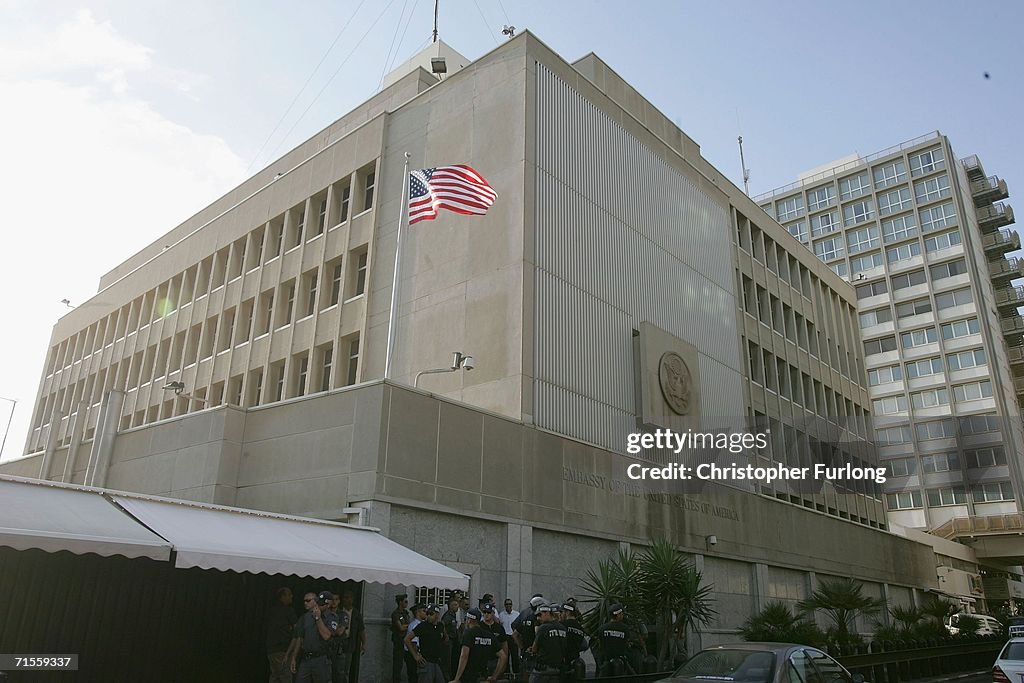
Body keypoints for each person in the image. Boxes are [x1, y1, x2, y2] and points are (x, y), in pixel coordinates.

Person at [288, 591, 340, 683]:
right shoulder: (306, 617)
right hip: (306, 659)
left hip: (321, 659)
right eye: (317, 602)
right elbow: (300, 637)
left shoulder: (332, 617)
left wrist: (318, 619)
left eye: (321, 604)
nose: (318, 605)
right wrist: (294, 657)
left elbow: (327, 636)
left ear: (328, 605)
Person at [451, 608, 506, 683]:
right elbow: (503, 656)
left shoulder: (468, 634)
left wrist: (457, 678)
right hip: (484, 676)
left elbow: (464, 656)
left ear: (469, 620)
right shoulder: (489, 635)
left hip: (469, 676)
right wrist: (494, 676)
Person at [406, 604, 446, 683]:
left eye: (431, 614)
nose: (428, 616)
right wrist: (416, 655)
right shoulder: (423, 626)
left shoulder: (440, 626)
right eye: (427, 613)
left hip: (437, 661)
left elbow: (445, 639)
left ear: (437, 615)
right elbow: (407, 639)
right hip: (427, 661)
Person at [528, 604, 567, 682]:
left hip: (542, 671)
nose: (538, 618)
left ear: (546, 613)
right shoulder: (563, 628)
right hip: (557, 670)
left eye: (540, 615)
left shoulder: (543, 628)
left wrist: (531, 650)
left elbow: (534, 649)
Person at [266, 587, 296, 683]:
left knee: (275, 676)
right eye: (289, 594)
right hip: (283, 650)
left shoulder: (271, 611)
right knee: (285, 676)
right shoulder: (288, 610)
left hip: (271, 650)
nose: (292, 596)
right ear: (282, 597)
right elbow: (296, 628)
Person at [595, 604, 632, 676]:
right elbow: (627, 643)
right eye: (621, 614)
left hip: (605, 663)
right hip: (620, 664)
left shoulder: (602, 628)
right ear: (617, 615)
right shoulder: (625, 629)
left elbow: (600, 644)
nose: (622, 615)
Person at [512, 595, 545, 678]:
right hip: (535, 654)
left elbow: (515, 634)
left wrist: (522, 647)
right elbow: (537, 635)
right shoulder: (537, 620)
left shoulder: (526, 618)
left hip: (525, 654)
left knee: (525, 677)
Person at [339, 589, 366, 682]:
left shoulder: (356, 614)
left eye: (349, 598)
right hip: (339, 642)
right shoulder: (339, 612)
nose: (347, 600)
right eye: (345, 598)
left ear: (353, 599)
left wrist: (364, 643)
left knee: (346, 668)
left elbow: (361, 629)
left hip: (350, 643)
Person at [327, 593, 351, 683]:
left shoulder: (343, 615)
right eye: (332, 599)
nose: (334, 602)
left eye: (336, 599)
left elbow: (339, 631)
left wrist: (327, 629)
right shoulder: (325, 613)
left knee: (339, 675)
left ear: (339, 601)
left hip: (338, 650)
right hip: (326, 649)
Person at [560, 603, 587, 682]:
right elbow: (583, 645)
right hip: (576, 661)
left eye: (562, 612)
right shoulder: (580, 628)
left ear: (567, 612)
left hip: (564, 663)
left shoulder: (562, 625)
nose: (561, 615)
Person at [481, 603, 509, 680]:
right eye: (485, 612)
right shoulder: (480, 627)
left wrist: (504, 662)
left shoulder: (499, 628)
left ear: (493, 613)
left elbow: (504, 645)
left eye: (489, 612)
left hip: (496, 659)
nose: (486, 614)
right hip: (482, 660)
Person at [391, 594, 412, 683]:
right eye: (405, 601)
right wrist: (408, 626)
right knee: (398, 664)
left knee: (408, 662)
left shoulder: (406, 613)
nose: (407, 603)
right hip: (399, 641)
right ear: (400, 602)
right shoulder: (396, 614)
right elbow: (400, 628)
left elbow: (405, 626)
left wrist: (406, 626)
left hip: (406, 641)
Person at [498, 599, 520, 677]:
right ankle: (506, 673)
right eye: (507, 604)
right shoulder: (501, 615)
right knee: (505, 656)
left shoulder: (517, 614)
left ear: (512, 605)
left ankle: (516, 673)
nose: (508, 606)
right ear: (504, 605)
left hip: (513, 636)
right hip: (505, 637)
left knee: (515, 656)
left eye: (510, 604)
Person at [441, 595, 461, 679]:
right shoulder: (448, 616)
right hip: (449, 641)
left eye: (457, 604)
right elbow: (442, 624)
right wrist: (446, 636)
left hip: (454, 640)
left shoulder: (453, 615)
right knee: (447, 661)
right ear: (450, 606)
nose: (457, 606)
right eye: (455, 605)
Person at [406, 603, 427, 683]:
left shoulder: (421, 624)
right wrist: (417, 656)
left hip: (417, 653)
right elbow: (413, 643)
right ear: (418, 612)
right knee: (413, 677)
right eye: (424, 611)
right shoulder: (414, 625)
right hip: (413, 654)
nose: (426, 613)